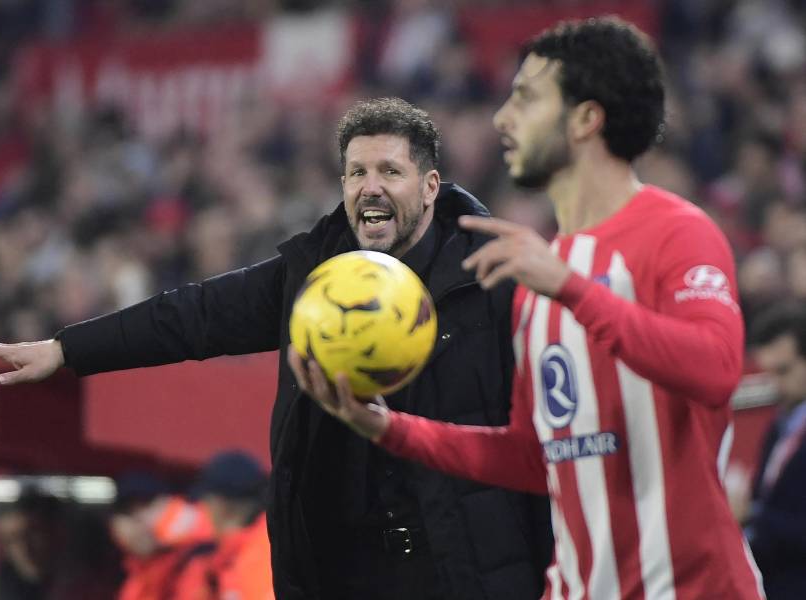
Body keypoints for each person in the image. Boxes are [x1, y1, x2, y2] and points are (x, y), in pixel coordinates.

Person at [0, 97, 553, 599]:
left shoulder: (494, 279)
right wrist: (68, 350)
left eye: (389, 172)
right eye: (355, 173)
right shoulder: (310, 276)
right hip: (347, 573)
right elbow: (191, 316)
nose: (370, 187)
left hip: (466, 572)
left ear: (429, 188)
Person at [293, 17, 767, 599]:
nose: (502, 118)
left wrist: (572, 289)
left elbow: (717, 370)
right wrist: (390, 429)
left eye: (526, 98)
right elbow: (537, 458)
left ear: (586, 120)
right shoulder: (539, 274)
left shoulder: (675, 233)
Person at [744, 305, 806, 600]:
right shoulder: (778, 426)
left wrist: (752, 516)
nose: (773, 384)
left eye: (782, 371)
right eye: (766, 373)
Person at [109, 473, 215, 600]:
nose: (141, 520)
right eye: (130, 513)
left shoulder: (203, 559)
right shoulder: (138, 577)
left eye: (146, 506)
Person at [185, 450, 274, 600]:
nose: (203, 508)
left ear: (221, 505)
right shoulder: (238, 552)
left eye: (205, 501)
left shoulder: (258, 557)